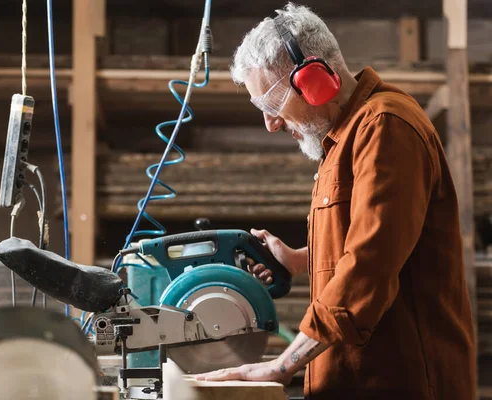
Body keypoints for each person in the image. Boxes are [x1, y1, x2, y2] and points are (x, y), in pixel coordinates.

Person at [194, 3, 477, 399]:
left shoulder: (385, 127)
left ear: (313, 80)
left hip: (400, 384)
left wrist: (281, 367)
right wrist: (300, 260)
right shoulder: (343, 139)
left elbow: (370, 265)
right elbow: (384, 240)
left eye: (272, 105)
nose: (271, 123)